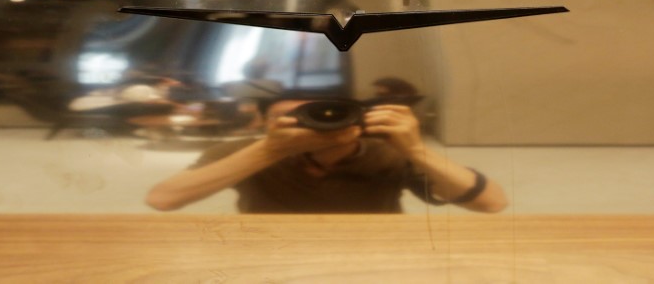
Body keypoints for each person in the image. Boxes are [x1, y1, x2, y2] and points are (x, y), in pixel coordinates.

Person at [145, 98, 508, 213]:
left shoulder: (387, 153)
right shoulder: (246, 152)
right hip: (270, 253)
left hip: (374, 255)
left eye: (323, 115)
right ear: (267, 125)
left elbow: (491, 202)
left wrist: (415, 149)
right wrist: (270, 150)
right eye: (291, 119)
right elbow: (163, 199)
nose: (313, 126)